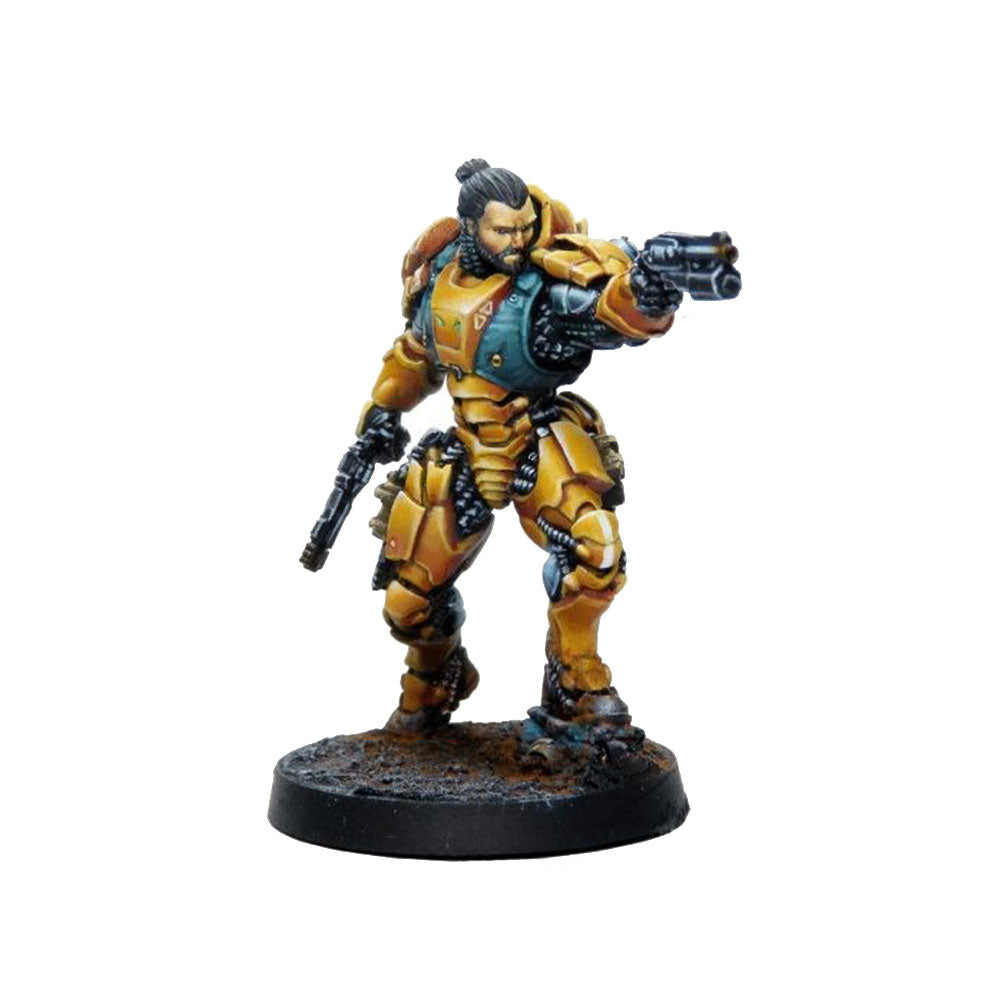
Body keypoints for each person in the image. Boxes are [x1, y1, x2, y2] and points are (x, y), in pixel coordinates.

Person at [348, 158, 684, 736]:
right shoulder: (439, 278)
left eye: (526, 227)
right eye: (503, 230)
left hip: (537, 435)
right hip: (466, 448)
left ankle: (577, 678)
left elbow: (603, 314)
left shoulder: (544, 286)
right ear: (471, 226)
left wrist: (646, 296)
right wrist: (382, 412)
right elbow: (416, 355)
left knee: (595, 546)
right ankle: (434, 677)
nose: (518, 241)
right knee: (407, 601)